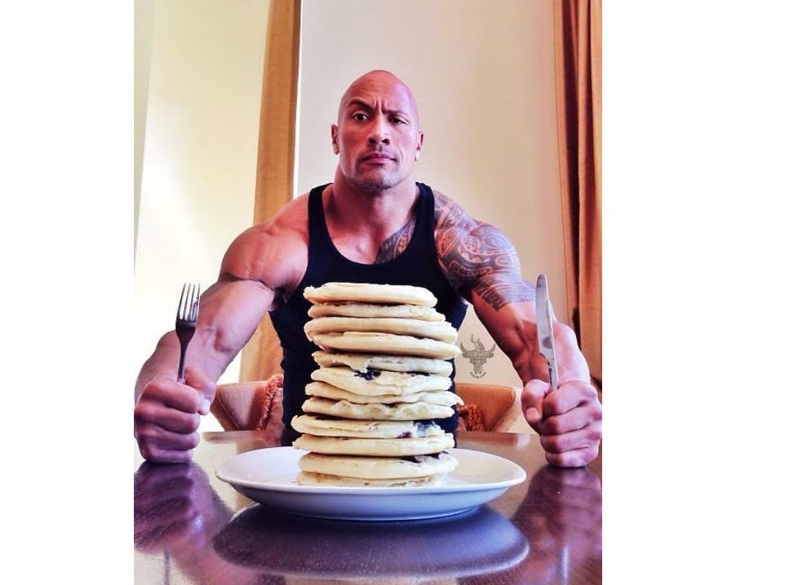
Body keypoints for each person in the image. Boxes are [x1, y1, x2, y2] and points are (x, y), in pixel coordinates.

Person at [134, 69, 602, 467]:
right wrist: (158, 397)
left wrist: (574, 397)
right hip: (309, 480)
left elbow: (536, 339)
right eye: (361, 116)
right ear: (336, 137)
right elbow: (195, 342)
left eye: (395, 119)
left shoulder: (462, 242)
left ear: (416, 142)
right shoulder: (280, 245)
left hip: (430, 480)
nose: (379, 130)